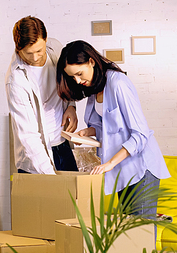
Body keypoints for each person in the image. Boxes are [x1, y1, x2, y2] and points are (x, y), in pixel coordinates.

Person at [56, 40, 170, 217]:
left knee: (141, 235)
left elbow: (140, 134)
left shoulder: (118, 83)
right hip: (122, 170)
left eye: (79, 73)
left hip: (140, 168)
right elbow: (108, 127)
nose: (78, 81)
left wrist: (109, 164)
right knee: (128, 236)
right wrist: (87, 133)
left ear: (91, 61)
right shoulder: (94, 87)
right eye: (73, 78)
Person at [5, 16, 78, 174]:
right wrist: (50, 176)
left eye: (39, 50)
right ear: (18, 49)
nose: (35, 58)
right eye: (28, 53)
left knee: (75, 198)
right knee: (46, 197)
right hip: (35, 155)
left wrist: (71, 105)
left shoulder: (55, 49)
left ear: (45, 40)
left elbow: (69, 78)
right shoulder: (15, 80)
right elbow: (28, 136)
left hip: (62, 144)